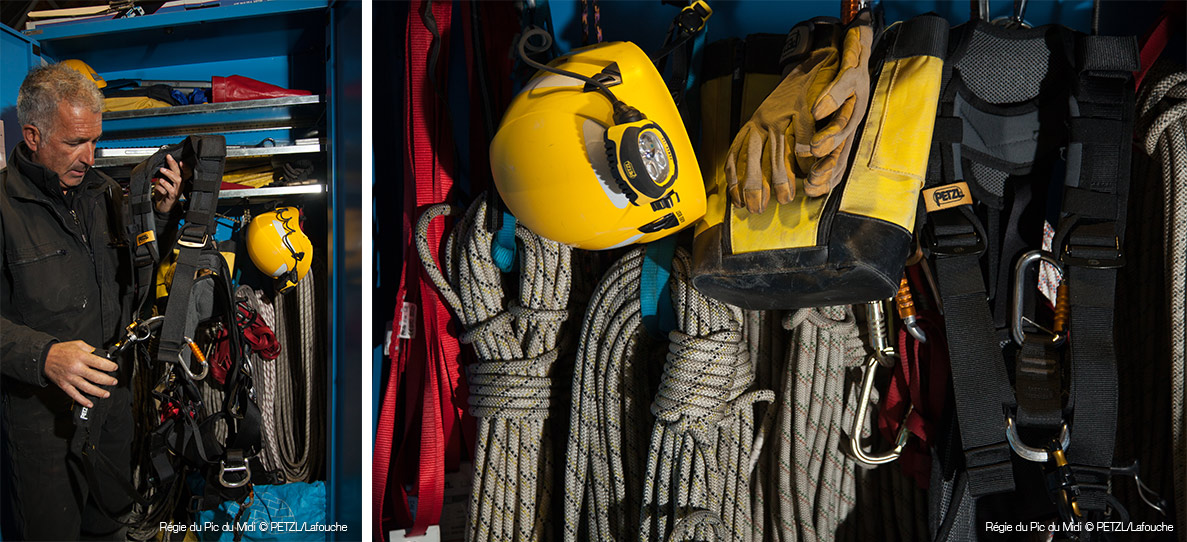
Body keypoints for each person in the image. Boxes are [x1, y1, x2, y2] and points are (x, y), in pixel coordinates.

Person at [1, 63, 185, 540]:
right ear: (33, 136)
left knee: (112, 527)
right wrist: (45, 357)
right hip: (42, 424)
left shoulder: (102, 193)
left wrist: (162, 219)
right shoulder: (2, 209)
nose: (90, 155)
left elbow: (134, 277)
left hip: (111, 407)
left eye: (94, 140)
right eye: (74, 142)